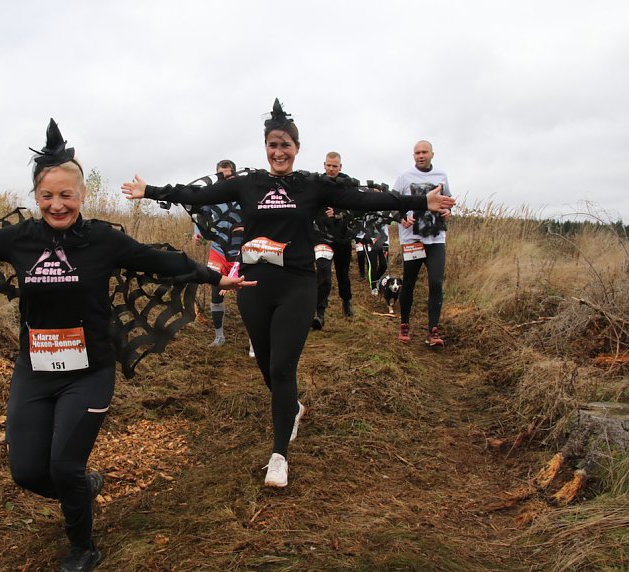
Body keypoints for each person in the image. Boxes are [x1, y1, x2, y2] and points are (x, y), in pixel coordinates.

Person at [0, 119, 253, 572]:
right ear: (36, 197)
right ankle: (83, 490)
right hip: (33, 370)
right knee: (28, 472)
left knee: (64, 467)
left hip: (89, 371)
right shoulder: (20, 239)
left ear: (83, 196)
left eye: (66, 194)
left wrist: (214, 276)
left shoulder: (103, 240)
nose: (57, 204)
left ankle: (82, 547)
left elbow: (160, 261)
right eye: (47, 195)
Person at [121, 100, 455, 487]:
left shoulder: (311, 185)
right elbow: (198, 196)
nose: (279, 152)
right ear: (265, 149)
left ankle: (279, 455)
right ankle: (292, 407)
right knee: (265, 364)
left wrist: (420, 201)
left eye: (286, 145)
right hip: (253, 287)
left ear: (297, 148)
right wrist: (149, 191)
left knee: (282, 368)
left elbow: (366, 198)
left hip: (297, 284)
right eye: (272, 146)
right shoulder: (248, 184)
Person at [393, 140, 452, 347]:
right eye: (417, 152)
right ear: (413, 155)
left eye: (424, 152)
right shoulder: (404, 177)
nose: (420, 155)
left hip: (436, 238)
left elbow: (447, 203)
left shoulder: (442, 176)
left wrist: (447, 211)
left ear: (432, 155)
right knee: (408, 282)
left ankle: (433, 330)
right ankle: (404, 324)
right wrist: (401, 217)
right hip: (412, 240)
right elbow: (393, 205)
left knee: (436, 282)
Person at [191, 160, 251, 355]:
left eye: (228, 175)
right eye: (220, 175)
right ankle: (219, 336)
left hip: (242, 250)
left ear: (234, 174)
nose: (224, 179)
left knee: (247, 296)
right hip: (218, 248)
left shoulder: (244, 192)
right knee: (217, 292)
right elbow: (201, 215)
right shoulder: (213, 194)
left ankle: (254, 340)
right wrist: (197, 232)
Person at [311, 152, 358, 330]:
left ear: (340, 167)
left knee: (342, 274)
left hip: (342, 237)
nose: (331, 169)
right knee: (323, 271)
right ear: (324, 165)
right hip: (322, 237)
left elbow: (355, 211)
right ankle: (319, 313)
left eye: (335, 166)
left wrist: (338, 214)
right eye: (328, 165)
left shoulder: (348, 186)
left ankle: (346, 301)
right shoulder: (316, 185)